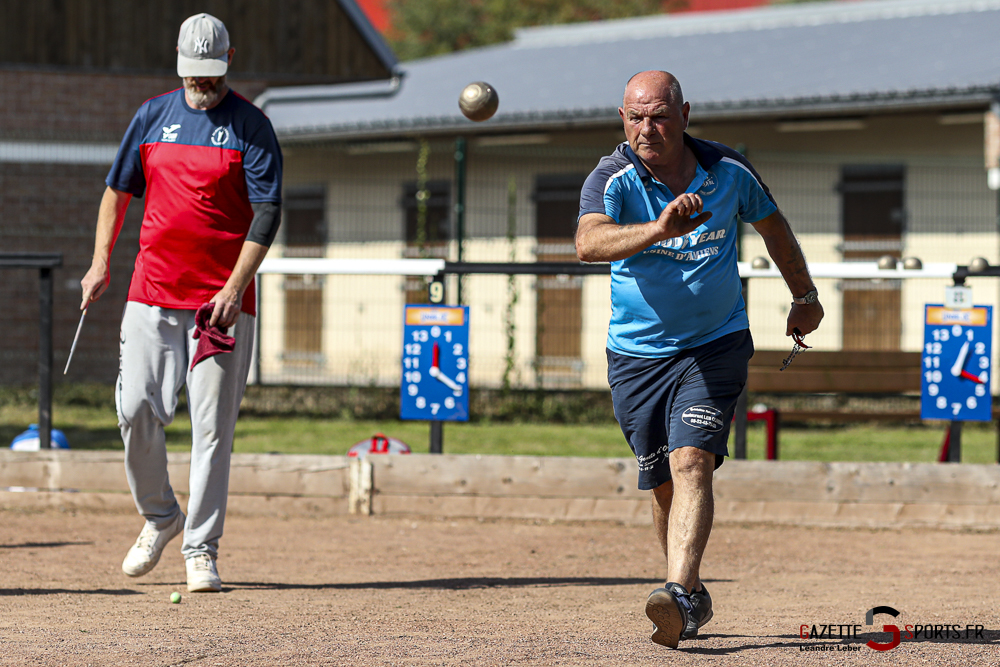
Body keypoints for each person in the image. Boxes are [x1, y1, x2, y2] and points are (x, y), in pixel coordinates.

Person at [576, 71, 823, 648]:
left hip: (716, 342)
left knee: (692, 462)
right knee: (663, 481)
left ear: (685, 113)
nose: (648, 128)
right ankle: (688, 593)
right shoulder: (611, 178)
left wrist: (804, 297)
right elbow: (588, 243)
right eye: (636, 117)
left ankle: (679, 593)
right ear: (622, 119)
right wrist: (659, 227)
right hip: (637, 356)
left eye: (659, 115)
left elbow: (774, 228)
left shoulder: (728, 172)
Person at [79, 13, 282, 593]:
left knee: (212, 430)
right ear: (178, 61)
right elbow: (117, 192)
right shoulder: (151, 116)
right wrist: (101, 261)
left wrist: (235, 288)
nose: (201, 85)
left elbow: (267, 213)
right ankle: (161, 516)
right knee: (135, 410)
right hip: (150, 293)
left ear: (229, 60)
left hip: (219, 305)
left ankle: (201, 548)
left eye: (210, 75)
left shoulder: (252, 127)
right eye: (193, 75)